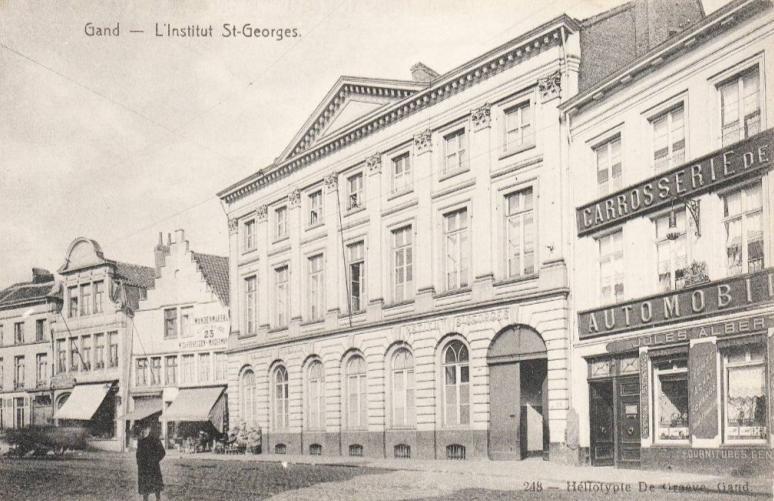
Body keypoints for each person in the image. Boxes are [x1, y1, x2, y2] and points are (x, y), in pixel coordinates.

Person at [136, 423, 166, 501]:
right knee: (147, 488)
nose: (144, 430)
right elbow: (138, 454)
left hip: (151, 467)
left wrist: (154, 460)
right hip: (146, 467)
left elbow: (162, 452)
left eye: (146, 428)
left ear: (149, 429)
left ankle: (157, 499)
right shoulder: (141, 440)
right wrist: (139, 462)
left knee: (154, 487)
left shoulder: (154, 439)